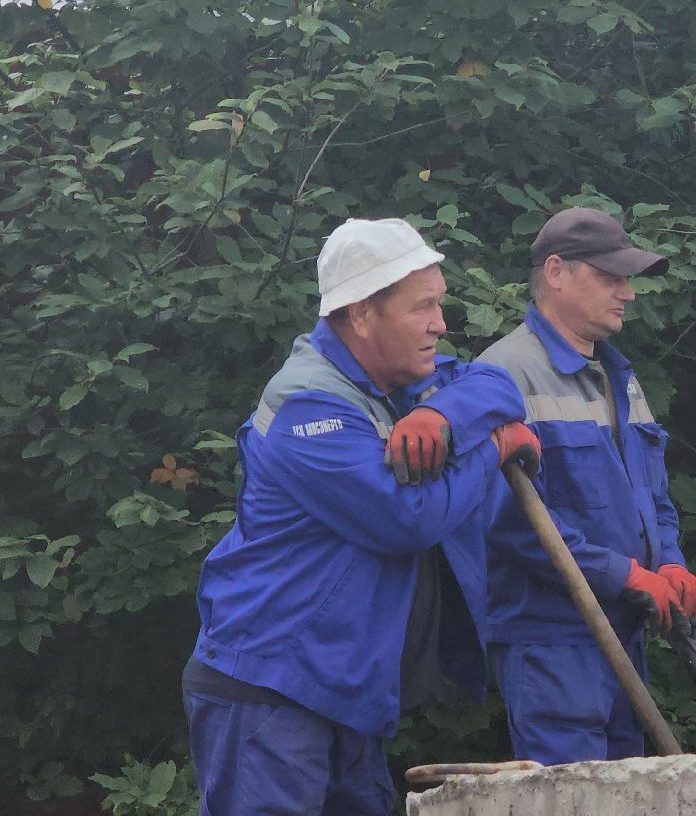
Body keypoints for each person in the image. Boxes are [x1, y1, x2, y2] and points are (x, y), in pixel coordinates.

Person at [182, 218, 539, 815]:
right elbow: (408, 518)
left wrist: (443, 418)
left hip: (342, 690)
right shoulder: (307, 406)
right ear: (361, 315)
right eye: (421, 308)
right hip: (271, 690)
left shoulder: (397, 384)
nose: (439, 325)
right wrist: (494, 448)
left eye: (439, 304)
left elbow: (496, 383)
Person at [477, 207, 696, 765]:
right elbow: (509, 522)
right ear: (555, 272)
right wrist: (624, 573)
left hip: (623, 630)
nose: (627, 293)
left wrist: (669, 561)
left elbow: (654, 495)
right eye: (610, 276)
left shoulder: (620, 378)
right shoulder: (503, 376)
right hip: (552, 642)